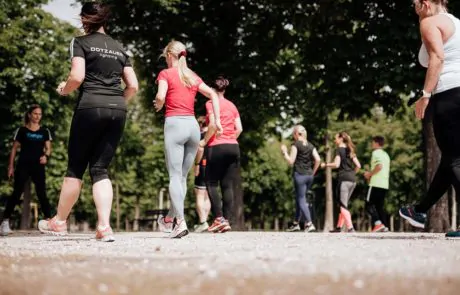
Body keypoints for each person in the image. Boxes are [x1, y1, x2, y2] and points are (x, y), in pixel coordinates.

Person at [37, 2, 139, 242]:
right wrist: (116, 102)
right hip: (118, 109)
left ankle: (59, 222)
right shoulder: (120, 47)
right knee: (100, 168)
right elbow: (133, 85)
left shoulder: (80, 42)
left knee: (75, 167)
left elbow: (77, 76)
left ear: (85, 19)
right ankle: (104, 227)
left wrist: (64, 90)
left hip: (90, 108)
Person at [399, 0, 460, 238]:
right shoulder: (456, 23)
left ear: (424, 3)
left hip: (448, 94)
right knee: (451, 158)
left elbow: (436, 59)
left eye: (414, 4)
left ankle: (419, 209)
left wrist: (425, 95)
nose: (413, 8)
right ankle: (419, 210)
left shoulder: (429, 23)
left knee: (455, 159)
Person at [155, 41, 222, 238]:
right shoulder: (192, 76)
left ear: (169, 55)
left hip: (175, 125)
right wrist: (216, 121)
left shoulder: (165, 74)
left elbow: (160, 96)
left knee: (175, 176)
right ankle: (170, 217)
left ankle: (180, 223)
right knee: (182, 177)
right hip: (193, 128)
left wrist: (159, 104)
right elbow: (212, 94)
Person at [0, 105, 52, 236]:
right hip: (23, 165)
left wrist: (46, 156)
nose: (37, 116)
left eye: (40, 114)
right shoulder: (22, 131)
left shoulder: (45, 131)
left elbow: (49, 149)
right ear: (29, 114)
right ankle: (4, 222)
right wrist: (10, 166)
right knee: (17, 192)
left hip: (38, 166)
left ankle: (49, 222)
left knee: (42, 193)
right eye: (35, 114)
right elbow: (14, 149)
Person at [201, 76, 242, 233]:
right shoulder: (232, 105)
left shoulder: (211, 103)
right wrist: (230, 139)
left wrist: (204, 141)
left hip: (216, 146)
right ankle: (226, 220)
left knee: (210, 182)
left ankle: (218, 218)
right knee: (227, 185)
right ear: (224, 89)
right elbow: (239, 128)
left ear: (211, 89)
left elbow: (212, 124)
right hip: (233, 147)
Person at [281, 125, 320, 233]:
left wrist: (284, 152)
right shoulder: (311, 145)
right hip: (309, 177)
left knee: (301, 200)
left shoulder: (296, 145)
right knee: (300, 198)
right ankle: (296, 224)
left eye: (293, 134)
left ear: (297, 134)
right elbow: (318, 159)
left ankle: (309, 224)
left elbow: (291, 161)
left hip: (300, 175)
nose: (293, 136)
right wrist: (313, 172)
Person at [321, 132, 361, 233]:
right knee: (344, 204)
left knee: (343, 205)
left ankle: (351, 228)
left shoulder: (339, 150)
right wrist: (352, 173)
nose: (335, 141)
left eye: (336, 139)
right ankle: (339, 227)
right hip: (352, 180)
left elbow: (337, 164)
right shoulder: (350, 150)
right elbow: (359, 166)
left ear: (340, 139)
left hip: (343, 180)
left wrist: (325, 165)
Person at [364, 136, 391, 232]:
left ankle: (378, 224)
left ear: (376, 143)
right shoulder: (386, 155)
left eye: (372, 142)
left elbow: (379, 166)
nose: (371, 144)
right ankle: (384, 226)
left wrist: (369, 174)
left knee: (368, 204)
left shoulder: (375, 153)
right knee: (379, 206)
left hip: (375, 183)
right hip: (384, 184)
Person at [193, 116, 211, 233]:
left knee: (199, 195)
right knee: (207, 196)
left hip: (202, 165)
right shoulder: (212, 135)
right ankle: (204, 221)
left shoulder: (199, 135)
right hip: (213, 166)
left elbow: (199, 150)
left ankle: (203, 222)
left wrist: (197, 164)